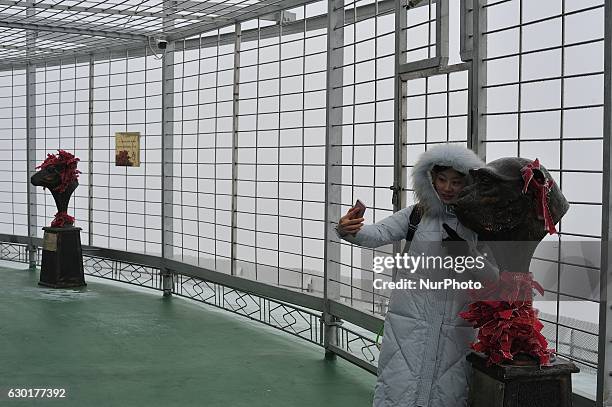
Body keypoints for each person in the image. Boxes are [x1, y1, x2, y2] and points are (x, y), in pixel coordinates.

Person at [336, 144, 496, 407]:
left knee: (448, 393)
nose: (447, 188)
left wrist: (466, 255)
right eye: (442, 179)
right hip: (408, 323)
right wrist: (348, 229)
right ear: (430, 178)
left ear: (468, 183)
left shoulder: (479, 225)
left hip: (456, 326)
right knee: (398, 388)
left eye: (456, 182)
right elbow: (378, 233)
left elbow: (492, 277)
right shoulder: (416, 215)